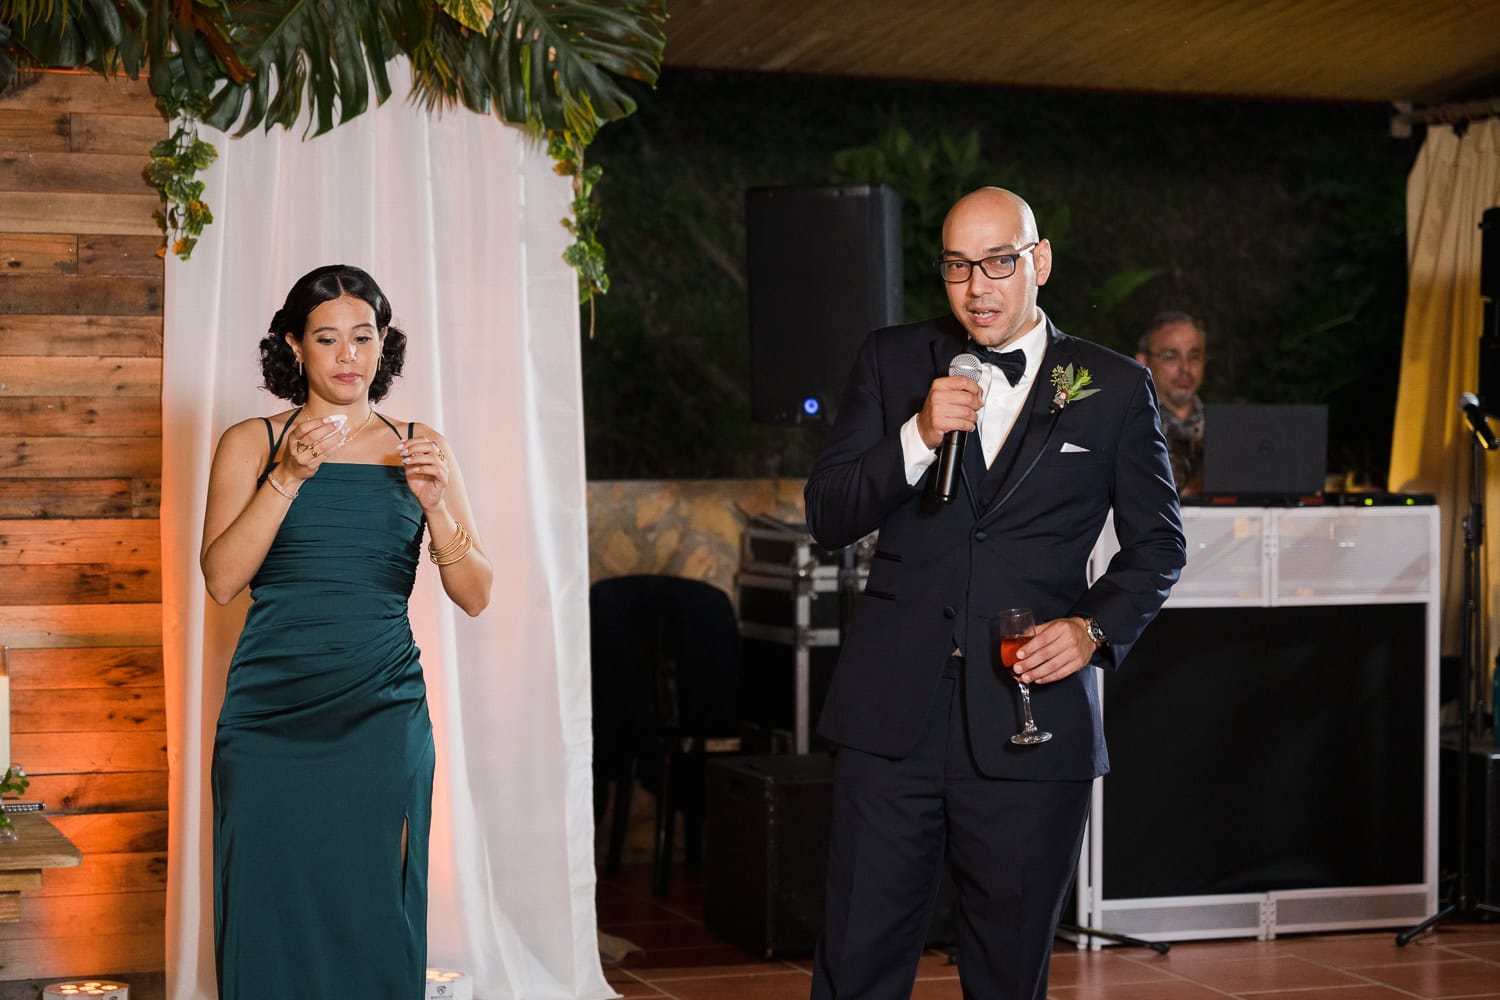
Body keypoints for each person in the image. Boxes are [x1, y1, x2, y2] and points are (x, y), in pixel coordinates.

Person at [804, 187, 1185, 999]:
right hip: (891, 717)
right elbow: (827, 514)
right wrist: (917, 436)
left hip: (1030, 721)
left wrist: (1090, 630)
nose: (978, 287)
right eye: (957, 267)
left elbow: (1158, 546)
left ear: (1038, 261)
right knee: (856, 961)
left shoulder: (1113, 387)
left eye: (998, 262)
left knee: (1009, 971)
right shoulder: (891, 359)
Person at [200, 264, 492, 997]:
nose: (347, 355)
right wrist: (288, 478)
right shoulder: (251, 442)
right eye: (327, 339)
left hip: (381, 712)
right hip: (270, 715)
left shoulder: (424, 445)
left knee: (375, 910)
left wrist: (436, 507)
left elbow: (477, 594)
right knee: (267, 903)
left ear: (383, 343)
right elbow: (221, 578)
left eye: (363, 337)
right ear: (295, 347)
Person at [1135, 310, 1207, 496]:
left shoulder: (1228, 430)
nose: (1185, 368)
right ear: (1144, 361)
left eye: (1194, 356)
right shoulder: (1125, 426)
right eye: (1171, 356)